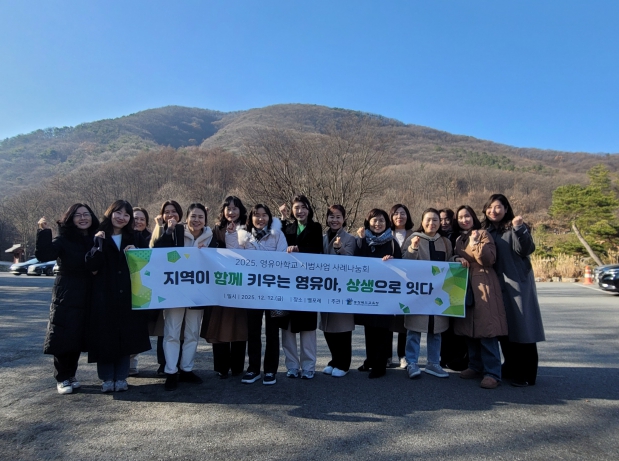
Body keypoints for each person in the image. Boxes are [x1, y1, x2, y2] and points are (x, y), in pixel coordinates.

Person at [85, 200, 151, 393]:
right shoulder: (98, 235)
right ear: (110, 213)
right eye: (118, 213)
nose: (122, 217)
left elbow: (147, 264)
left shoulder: (135, 237)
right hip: (103, 295)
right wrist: (98, 244)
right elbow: (91, 266)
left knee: (125, 336)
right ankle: (107, 378)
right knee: (105, 337)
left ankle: (121, 377)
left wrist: (137, 255)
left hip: (129, 295)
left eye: (126, 214)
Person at [152, 202, 217, 391]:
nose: (196, 220)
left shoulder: (211, 237)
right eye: (193, 216)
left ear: (205, 219)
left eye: (200, 217)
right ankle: (171, 371)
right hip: (175, 291)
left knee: (192, 333)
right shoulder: (176, 232)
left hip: (198, 293)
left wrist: (208, 253)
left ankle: (186, 369)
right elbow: (158, 251)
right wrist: (168, 230)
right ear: (186, 218)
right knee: (172, 332)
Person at [35, 204, 100, 394]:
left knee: (78, 335)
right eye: (78, 215)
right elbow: (44, 255)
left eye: (86, 214)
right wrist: (44, 232)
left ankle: (71, 374)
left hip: (88, 291)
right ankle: (62, 377)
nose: (83, 218)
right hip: (67, 291)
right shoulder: (63, 239)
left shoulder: (96, 238)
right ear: (70, 219)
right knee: (63, 334)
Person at [482, 194, 545, 387]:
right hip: (497, 286)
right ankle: (510, 366)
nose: (493, 211)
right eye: (490, 207)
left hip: (517, 284)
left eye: (498, 207)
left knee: (523, 328)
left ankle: (527, 374)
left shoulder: (514, 228)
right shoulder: (487, 231)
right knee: (504, 328)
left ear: (506, 209)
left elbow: (526, 249)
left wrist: (519, 228)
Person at [225, 204, 288, 385]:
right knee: (253, 331)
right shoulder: (243, 236)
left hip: (273, 291)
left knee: (272, 332)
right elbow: (234, 255)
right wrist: (230, 234)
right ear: (251, 218)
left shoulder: (278, 235)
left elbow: (282, 258)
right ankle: (253, 369)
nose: (260, 219)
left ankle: (270, 370)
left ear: (270, 217)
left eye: (264, 215)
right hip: (252, 291)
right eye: (256, 215)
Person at [452, 205, 508, 389]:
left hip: (484, 284)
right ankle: (475, 366)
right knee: (469, 329)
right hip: (465, 285)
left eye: (467, 216)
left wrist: (476, 243)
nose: (464, 220)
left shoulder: (483, 234)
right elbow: (454, 256)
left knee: (486, 330)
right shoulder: (459, 239)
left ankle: (493, 373)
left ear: (473, 217)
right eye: (461, 217)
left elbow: (488, 259)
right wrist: (456, 259)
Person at [402, 208, 453, 380]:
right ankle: (411, 362)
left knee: (436, 331)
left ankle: (433, 363)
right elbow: (405, 263)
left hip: (439, 293)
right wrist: (413, 248)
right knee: (414, 330)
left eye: (435, 220)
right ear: (422, 222)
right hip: (417, 292)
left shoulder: (445, 242)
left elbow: (450, 262)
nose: (432, 223)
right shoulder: (413, 238)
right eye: (428, 220)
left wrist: (457, 260)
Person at [201, 196, 248, 379]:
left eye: (235, 208)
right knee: (219, 326)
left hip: (241, 286)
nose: (231, 212)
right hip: (220, 286)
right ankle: (221, 367)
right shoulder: (216, 230)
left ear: (241, 210)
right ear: (223, 211)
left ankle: (237, 367)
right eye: (228, 208)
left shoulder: (248, 229)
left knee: (240, 326)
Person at [354, 208, 402, 379]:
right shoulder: (363, 240)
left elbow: (402, 266)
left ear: (387, 223)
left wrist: (393, 261)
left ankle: (380, 365)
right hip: (367, 291)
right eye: (374, 220)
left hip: (385, 293)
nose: (378, 223)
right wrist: (360, 240)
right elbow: (356, 261)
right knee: (369, 329)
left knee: (382, 329)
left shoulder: (392, 242)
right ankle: (370, 360)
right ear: (368, 222)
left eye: (381, 220)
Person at [281, 195, 323, 379]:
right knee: (287, 328)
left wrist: (299, 251)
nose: (300, 211)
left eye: (303, 207)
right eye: (296, 207)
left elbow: (317, 250)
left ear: (309, 209)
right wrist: (282, 219)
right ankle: (291, 366)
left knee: (308, 329)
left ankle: (308, 366)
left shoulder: (316, 227)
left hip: (307, 284)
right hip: (287, 284)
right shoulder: (287, 228)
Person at [320, 205, 356, 377]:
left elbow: (352, 262)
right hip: (326, 288)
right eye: (331, 216)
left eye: (338, 217)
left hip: (343, 289)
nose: (334, 220)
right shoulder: (323, 238)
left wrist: (339, 249)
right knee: (327, 328)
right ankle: (334, 360)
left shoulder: (350, 238)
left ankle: (344, 364)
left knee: (342, 328)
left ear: (344, 219)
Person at [149, 200, 184, 375]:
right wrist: (168, 230)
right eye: (167, 212)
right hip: (165, 284)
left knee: (181, 328)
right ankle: (164, 364)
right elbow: (157, 251)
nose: (170, 215)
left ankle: (180, 364)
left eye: (174, 211)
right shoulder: (160, 230)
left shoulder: (184, 230)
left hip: (183, 284)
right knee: (166, 328)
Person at [438, 207, 469, 372]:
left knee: (457, 322)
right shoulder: (435, 237)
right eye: (440, 219)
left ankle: (460, 358)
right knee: (443, 323)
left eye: (447, 219)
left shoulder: (459, 236)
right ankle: (444, 357)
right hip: (439, 284)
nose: (443, 222)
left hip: (457, 283)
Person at [389, 204, 414, 369]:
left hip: (407, 283)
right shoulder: (385, 234)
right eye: (396, 213)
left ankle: (403, 355)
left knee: (404, 320)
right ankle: (386, 356)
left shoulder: (415, 235)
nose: (399, 216)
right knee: (387, 319)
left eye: (403, 213)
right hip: (388, 283)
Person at [129, 206, 152, 375]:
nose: (138, 222)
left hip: (143, 290)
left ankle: (132, 362)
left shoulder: (151, 238)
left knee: (138, 328)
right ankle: (126, 363)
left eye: (142, 219)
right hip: (125, 289)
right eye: (135, 218)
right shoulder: (122, 237)